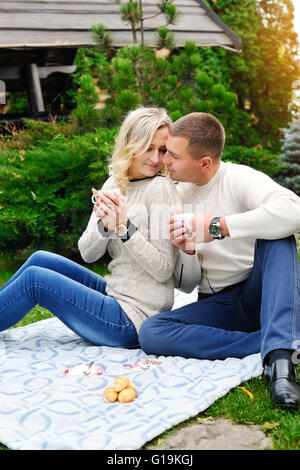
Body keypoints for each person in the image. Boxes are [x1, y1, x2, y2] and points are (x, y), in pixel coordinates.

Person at [139, 112, 300, 411]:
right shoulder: (171, 195)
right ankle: (275, 340)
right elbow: (186, 285)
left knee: (279, 236)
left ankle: (280, 364)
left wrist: (217, 227)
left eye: (173, 155)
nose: (165, 162)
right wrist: (187, 253)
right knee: (152, 332)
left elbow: (294, 213)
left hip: (260, 292)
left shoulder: (238, 178)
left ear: (204, 162)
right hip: (219, 303)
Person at [0, 107, 180, 349]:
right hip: (114, 294)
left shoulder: (160, 189)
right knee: (40, 259)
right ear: (130, 144)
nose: (156, 159)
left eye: (162, 150)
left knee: (35, 280)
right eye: (148, 148)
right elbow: (87, 253)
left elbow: (164, 270)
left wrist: (123, 227)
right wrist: (105, 226)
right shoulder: (115, 183)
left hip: (131, 320)